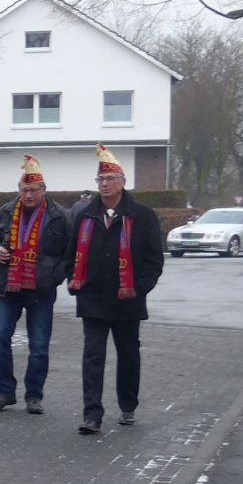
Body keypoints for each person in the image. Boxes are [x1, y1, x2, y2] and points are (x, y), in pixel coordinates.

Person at [68, 144, 164, 434]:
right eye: (101, 180)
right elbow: (70, 254)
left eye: (110, 179)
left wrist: (139, 287)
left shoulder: (141, 215)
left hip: (127, 300)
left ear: (123, 182)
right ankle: (91, 414)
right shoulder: (85, 215)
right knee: (93, 357)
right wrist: (75, 282)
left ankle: (128, 406)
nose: (105, 184)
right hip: (93, 298)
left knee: (128, 355)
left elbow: (154, 259)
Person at [0, 155, 71, 414]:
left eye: (33, 190)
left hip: (41, 290)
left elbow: (69, 254)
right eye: (24, 190)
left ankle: (34, 395)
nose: (28, 195)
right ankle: (4, 391)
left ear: (44, 190)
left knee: (39, 345)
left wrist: (54, 278)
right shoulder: (6, 211)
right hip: (8, 286)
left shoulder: (60, 216)